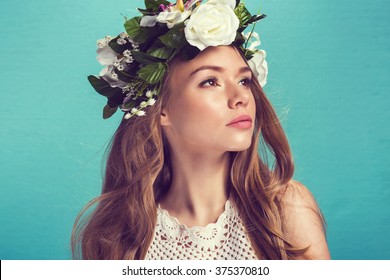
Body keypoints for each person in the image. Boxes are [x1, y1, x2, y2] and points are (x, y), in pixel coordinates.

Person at [72, 0, 331, 260]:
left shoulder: (286, 208)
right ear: (161, 110)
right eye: (210, 81)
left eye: (244, 80)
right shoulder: (117, 236)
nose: (240, 96)